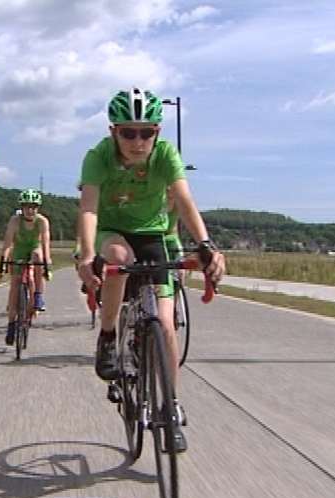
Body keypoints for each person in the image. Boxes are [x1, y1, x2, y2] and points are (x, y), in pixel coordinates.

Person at [76, 87, 226, 452]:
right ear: (114, 131)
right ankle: (108, 334)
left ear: (157, 132)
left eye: (147, 132)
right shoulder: (98, 156)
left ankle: (169, 405)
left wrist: (205, 244)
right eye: (128, 132)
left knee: (165, 324)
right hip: (113, 231)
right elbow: (90, 208)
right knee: (118, 259)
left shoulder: (165, 155)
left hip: (152, 233)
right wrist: (84, 253)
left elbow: (185, 201)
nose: (138, 140)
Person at [0, 189, 52, 345]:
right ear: (21, 208)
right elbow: (8, 243)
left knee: (38, 257)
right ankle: (11, 323)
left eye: (34, 207)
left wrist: (47, 263)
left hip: (34, 246)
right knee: (15, 285)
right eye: (27, 207)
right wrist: (3, 261)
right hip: (20, 248)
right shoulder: (15, 221)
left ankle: (38, 295)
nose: (30, 210)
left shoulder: (42, 221)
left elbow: (45, 244)